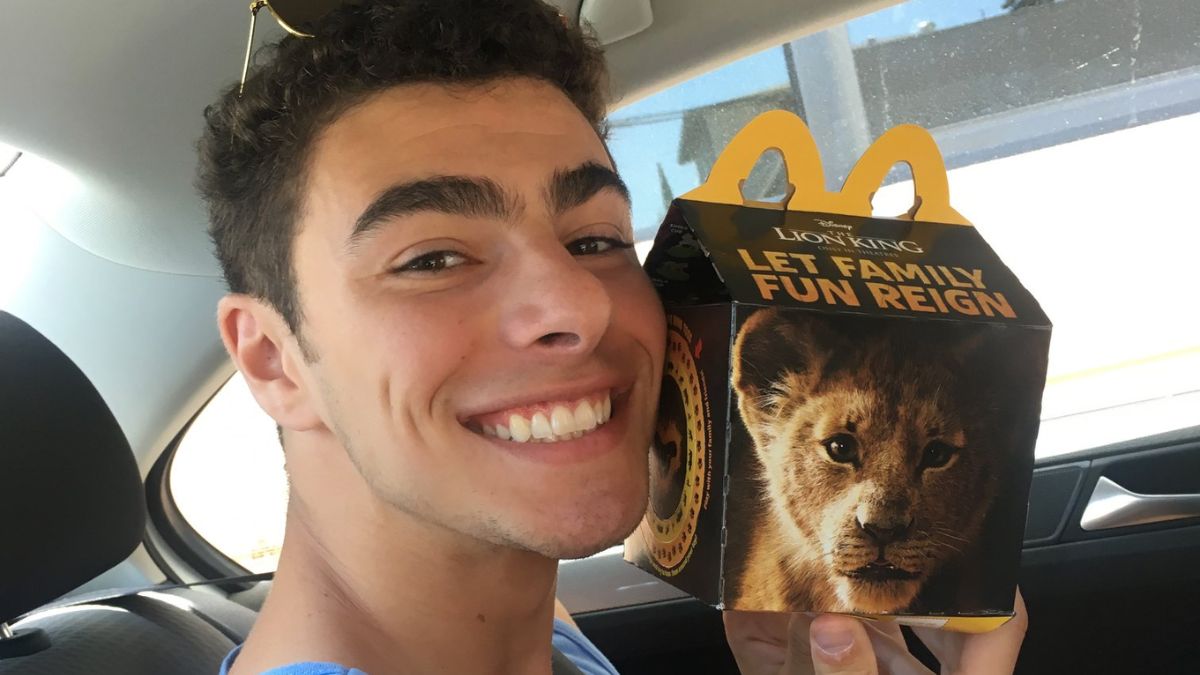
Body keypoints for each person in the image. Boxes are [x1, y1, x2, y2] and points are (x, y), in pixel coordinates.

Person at [196, 1, 1027, 673]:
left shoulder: (541, 637)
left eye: (595, 238)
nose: (578, 303)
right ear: (273, 360)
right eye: (432, 258)